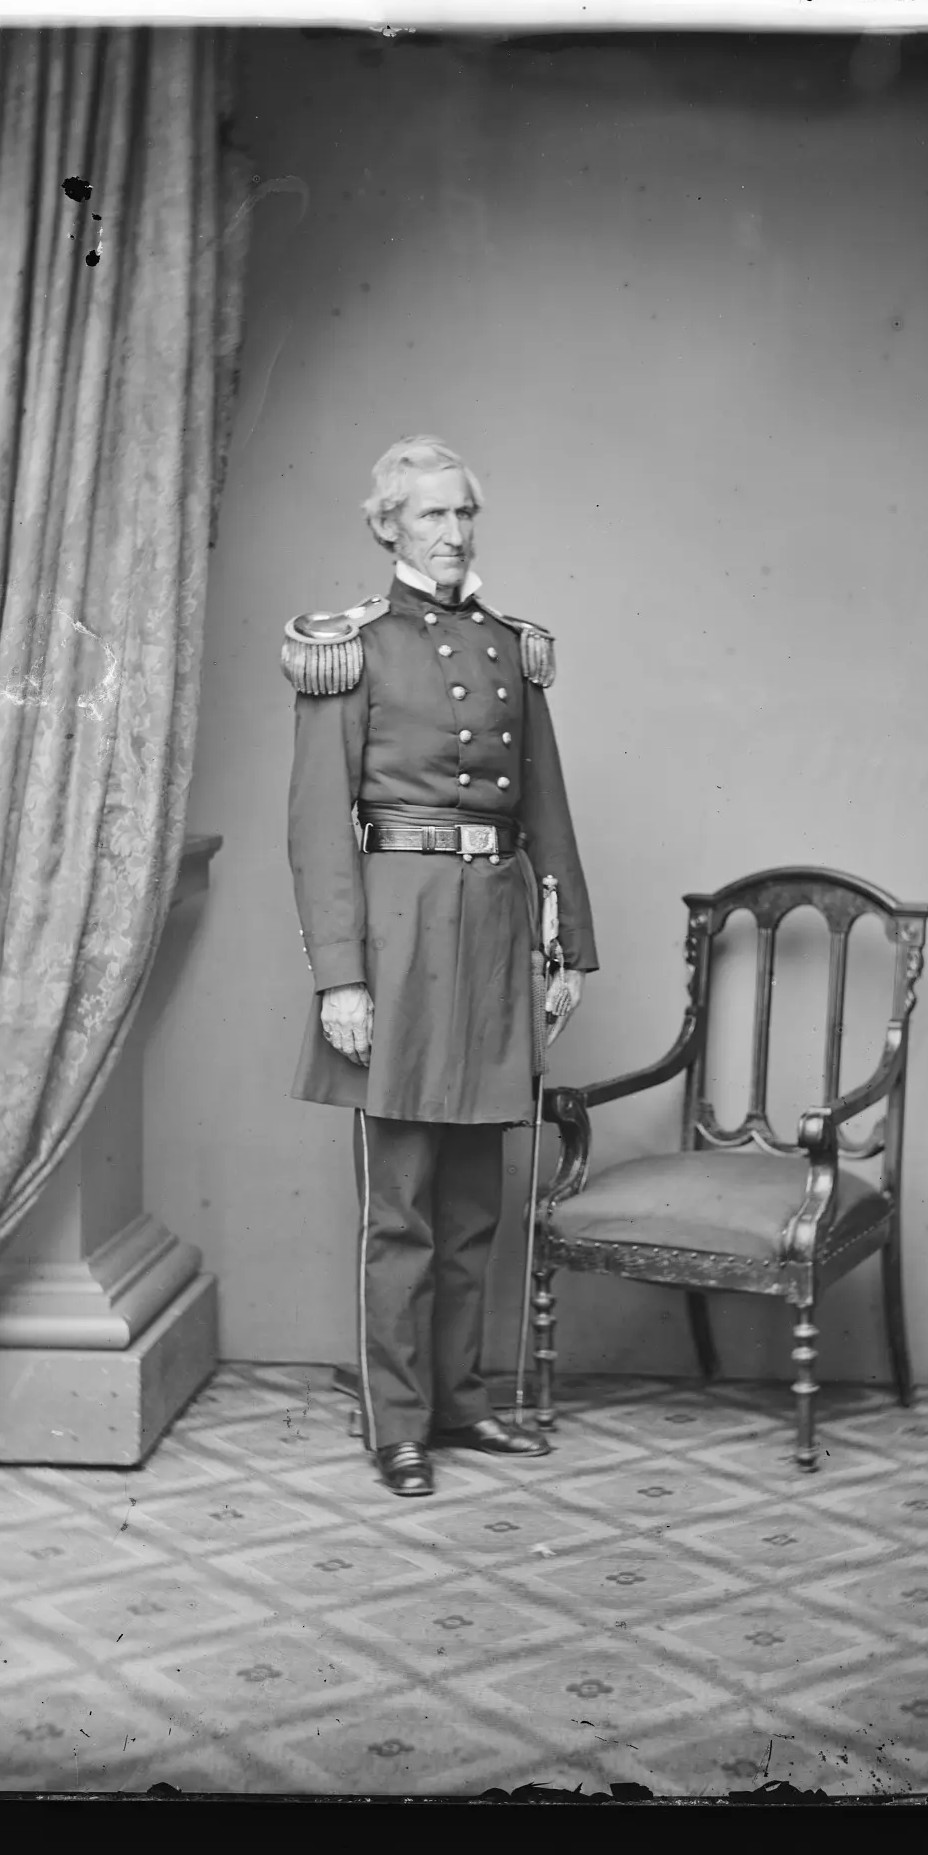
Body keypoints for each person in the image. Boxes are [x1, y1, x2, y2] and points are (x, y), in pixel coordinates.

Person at [282, 436, 598, 1497]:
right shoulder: (351, 647)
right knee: (402, 1203)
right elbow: (317, 826)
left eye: (464, 513)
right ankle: (399, 1421)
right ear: (389, 526)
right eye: (431, 515)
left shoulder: (510, 646)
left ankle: (462, 1403)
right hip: (399, 939)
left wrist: (566, 948)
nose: (454, 533)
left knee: (474, 1202)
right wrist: (340, 977)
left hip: (496, 933)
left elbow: (545, 804)